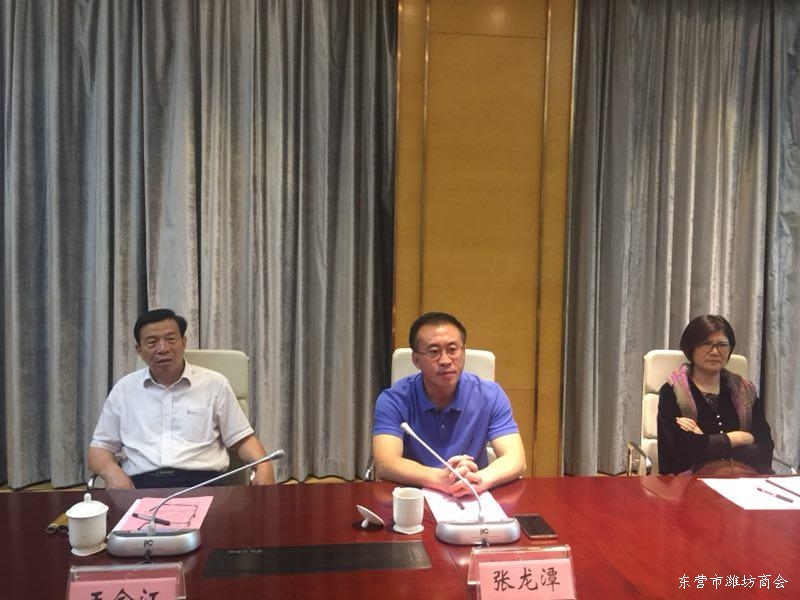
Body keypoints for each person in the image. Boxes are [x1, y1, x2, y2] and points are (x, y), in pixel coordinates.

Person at [88, 308, 276, 489]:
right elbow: (100, 448)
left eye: (170, 339)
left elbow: (242, 440)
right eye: (152, 342)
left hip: (204, 484)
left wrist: (264, 464)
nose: (162, 348)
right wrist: (111, 472)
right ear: (139, 350)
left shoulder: (214, 384)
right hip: (141, 486)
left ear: (183, 342)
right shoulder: (124, 390)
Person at [371, 312, 526, 497]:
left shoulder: (490, 395)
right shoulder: (393, 400)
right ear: (416, 360)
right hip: (413, 495)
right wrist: (439, 479)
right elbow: (386, 463)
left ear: (463, 352)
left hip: (471, 495)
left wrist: (478, 480)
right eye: (434, 352)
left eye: (453, 349)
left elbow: (516, 459)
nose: (445, 360)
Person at [657, 314, 775, 475]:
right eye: (706, 344)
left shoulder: (745, 390)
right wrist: (739, 438)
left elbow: (765, 450)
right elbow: (682, 453)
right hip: (689, 483)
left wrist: (707, 442)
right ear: (691, 348)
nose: (714, 352)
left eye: (722, 345)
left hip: (744, 478)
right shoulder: (672, 392)